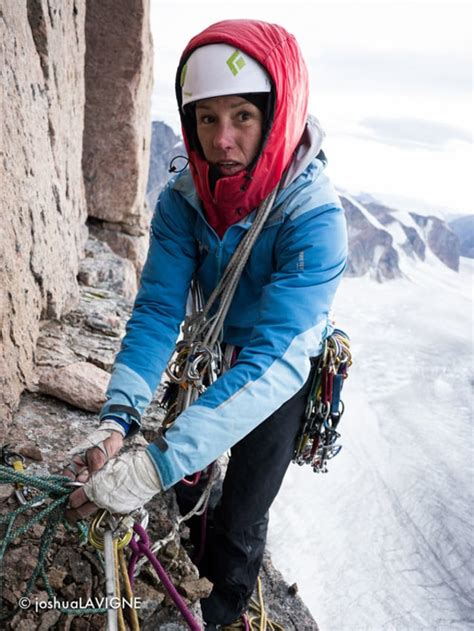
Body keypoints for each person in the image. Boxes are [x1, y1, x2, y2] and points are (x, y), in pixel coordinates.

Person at [66, 18, 348, 630]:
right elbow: (160, 310)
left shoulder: (314, 217)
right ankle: (189, 568)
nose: (222, 140)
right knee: (192, 483)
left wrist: (152, 464)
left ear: (277, 117)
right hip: (215, 351)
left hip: (281, 367)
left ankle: (220, 611)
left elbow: (277, 358)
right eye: (206, 119)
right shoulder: (185, 198)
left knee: (245, 506)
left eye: (242, 116)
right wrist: (118, 421)